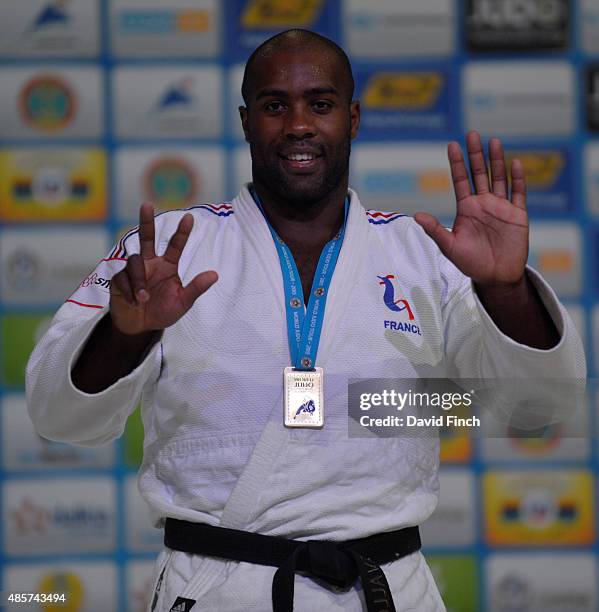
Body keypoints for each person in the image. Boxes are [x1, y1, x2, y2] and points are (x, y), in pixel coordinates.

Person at [26, 29, 584, 612]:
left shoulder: (425, 255)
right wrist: (125, 335)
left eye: (320, 104)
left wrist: (506, 289)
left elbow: (537, 407)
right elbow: (56, 414)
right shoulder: (171, 249)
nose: (298, 125)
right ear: (246, 122)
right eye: (274, 106)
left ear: (354, 118)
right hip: (221, 590)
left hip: (385, 590)